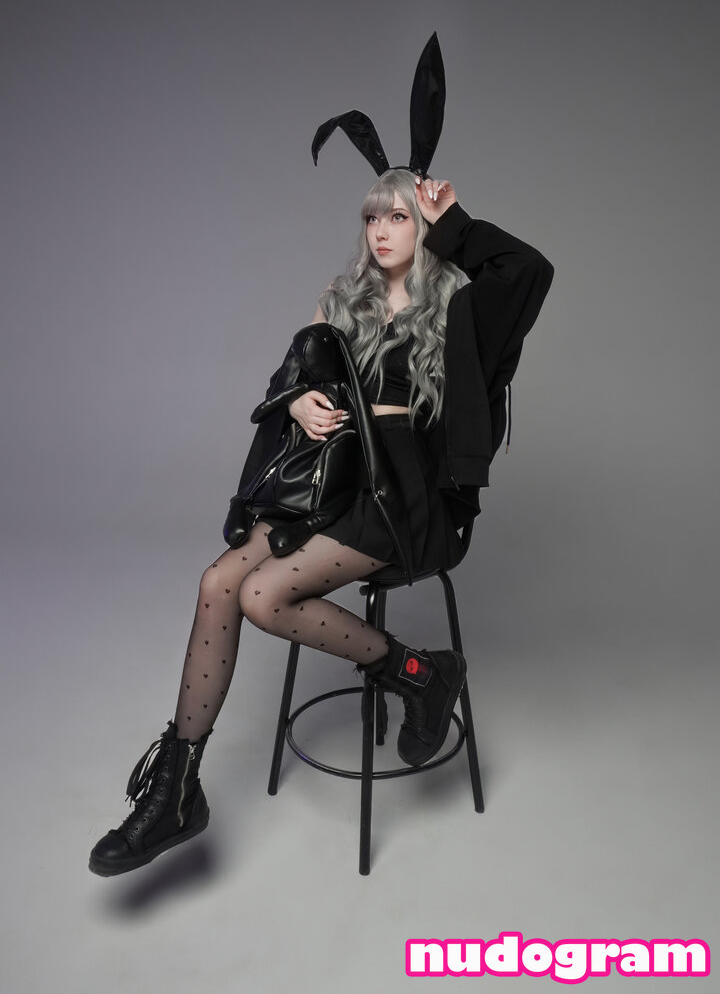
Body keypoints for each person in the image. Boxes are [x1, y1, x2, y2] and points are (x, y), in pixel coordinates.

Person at [88, 166, 553, 877]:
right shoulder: (342, 299)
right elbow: (292, 375)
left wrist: (455, 224)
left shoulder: (462, 303)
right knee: (218, 583)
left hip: (408, 494)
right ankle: (176, 790)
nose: (382, 232)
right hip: (333, 483)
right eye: (373, 218)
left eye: (399, 217)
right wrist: (299, 399)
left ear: (425, 225)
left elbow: (532, 270)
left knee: (263, 595)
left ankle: (421, 673)